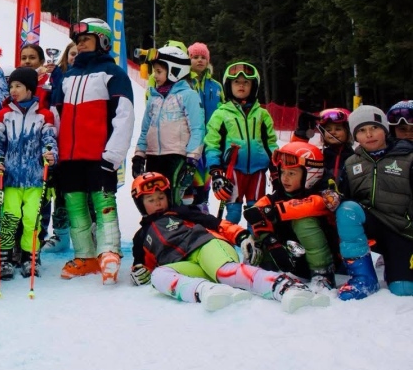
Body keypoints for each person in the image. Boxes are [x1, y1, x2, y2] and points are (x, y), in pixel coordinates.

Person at [129, 172, 329, 312]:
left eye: (160, 197)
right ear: (140, 204)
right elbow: (143, 265)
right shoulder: (141, 237)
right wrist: (140, 273)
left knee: (224, 272)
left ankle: (285, 287)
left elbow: (217, 224)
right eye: (151, 200)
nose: (158, 203)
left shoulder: (181, 212)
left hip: (208, 246)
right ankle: (208, 291)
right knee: (159, 275)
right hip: (190, 265)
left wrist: (241, 235)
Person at [50, 18, 134, 283]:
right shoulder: (68, 76)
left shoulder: (114, 74)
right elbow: (56, 116)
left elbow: (125, 116)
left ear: (103, 41)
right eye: (77, 40)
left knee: (103, 204)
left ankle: (109, 252)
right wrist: (54, 151)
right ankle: (85, 255)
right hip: (69, 157)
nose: (80, 43)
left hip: (99, 155)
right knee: (75, 207)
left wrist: (113, 156)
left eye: (86, 39)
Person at [335, 105, 413, 300]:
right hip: (372, 224)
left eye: (374, 128)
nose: (369, 134)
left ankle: (396, 266)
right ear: (355, 136)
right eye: (361, 130)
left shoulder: (408, 157)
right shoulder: (352, 163)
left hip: (402, 230)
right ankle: (364, 278)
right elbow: (344, 196)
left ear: (385, 129)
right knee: (347, 210)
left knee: (403, 290)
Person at [0, 67, 57, 279]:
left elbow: (49, 141)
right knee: (10, 217)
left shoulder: (43, 115)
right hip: (11, 178)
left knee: (31, 219)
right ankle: (5, 257)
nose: (13, 90)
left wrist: (50, 154)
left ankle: (30, 256)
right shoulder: (4, 114)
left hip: (35, 178)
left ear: (30, 88)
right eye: (11, 87)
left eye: (18, 86)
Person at [244, 141, 341, 290]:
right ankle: (260, 266)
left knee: (302, 220)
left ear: (310, 174)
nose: (284, 178)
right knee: (258, 227)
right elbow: (258, 210)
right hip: (294, 256)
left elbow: (315, 204)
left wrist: (277, 211)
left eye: (291, 173)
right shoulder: (281, 194)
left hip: (328, 256)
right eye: (282, 172)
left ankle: (323, 274)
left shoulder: (326, 192)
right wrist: (269, 240)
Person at [204, 62, 278, 226]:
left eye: (246, 82)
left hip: (257, 171)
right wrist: (215, 171)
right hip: (233, 171)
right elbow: (212, 144)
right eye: (236, 82)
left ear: (254, 86)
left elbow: (270, 143)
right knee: (234, 212)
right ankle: (228, 244)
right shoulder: (221, 114)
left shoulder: (262, 114)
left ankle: (257, 245)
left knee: (257, 212)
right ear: (229, 85)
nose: (241, 86)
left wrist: (275, 167)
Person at [132, 44, 205, 206]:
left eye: (159, 71)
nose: (154, 75)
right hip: (153, 158)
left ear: (175, 71)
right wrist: (139, 156)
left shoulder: (188, 96)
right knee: (154, 201)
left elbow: (198, 129)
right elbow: (145, 130)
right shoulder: (154, 98)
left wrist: (191, 161)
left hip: (176, 158)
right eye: (153, 71)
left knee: (173, 201)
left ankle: (181, 228)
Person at [185, 42, 224, 210]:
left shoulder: (216, 86)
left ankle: (202, 205)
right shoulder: (185, 83)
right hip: (190, 140)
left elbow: (223, 111)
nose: (200, 60)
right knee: (191, 178)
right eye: (195, 57)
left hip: (210, 140)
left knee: (206, 178)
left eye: (203, 57)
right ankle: (190, 209)